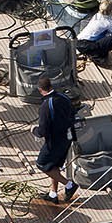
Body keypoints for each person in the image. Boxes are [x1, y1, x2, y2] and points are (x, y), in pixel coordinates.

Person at [36, 74, 79, 202]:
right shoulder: (64, 97)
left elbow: (42, 130)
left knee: (42, 164)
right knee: (54, 164)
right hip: (68, 136)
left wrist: (34, 131)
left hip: (55, 140)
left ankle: (69, 185)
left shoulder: (45, 105)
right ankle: (53, 194)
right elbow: (73, 113)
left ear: (40, 90)